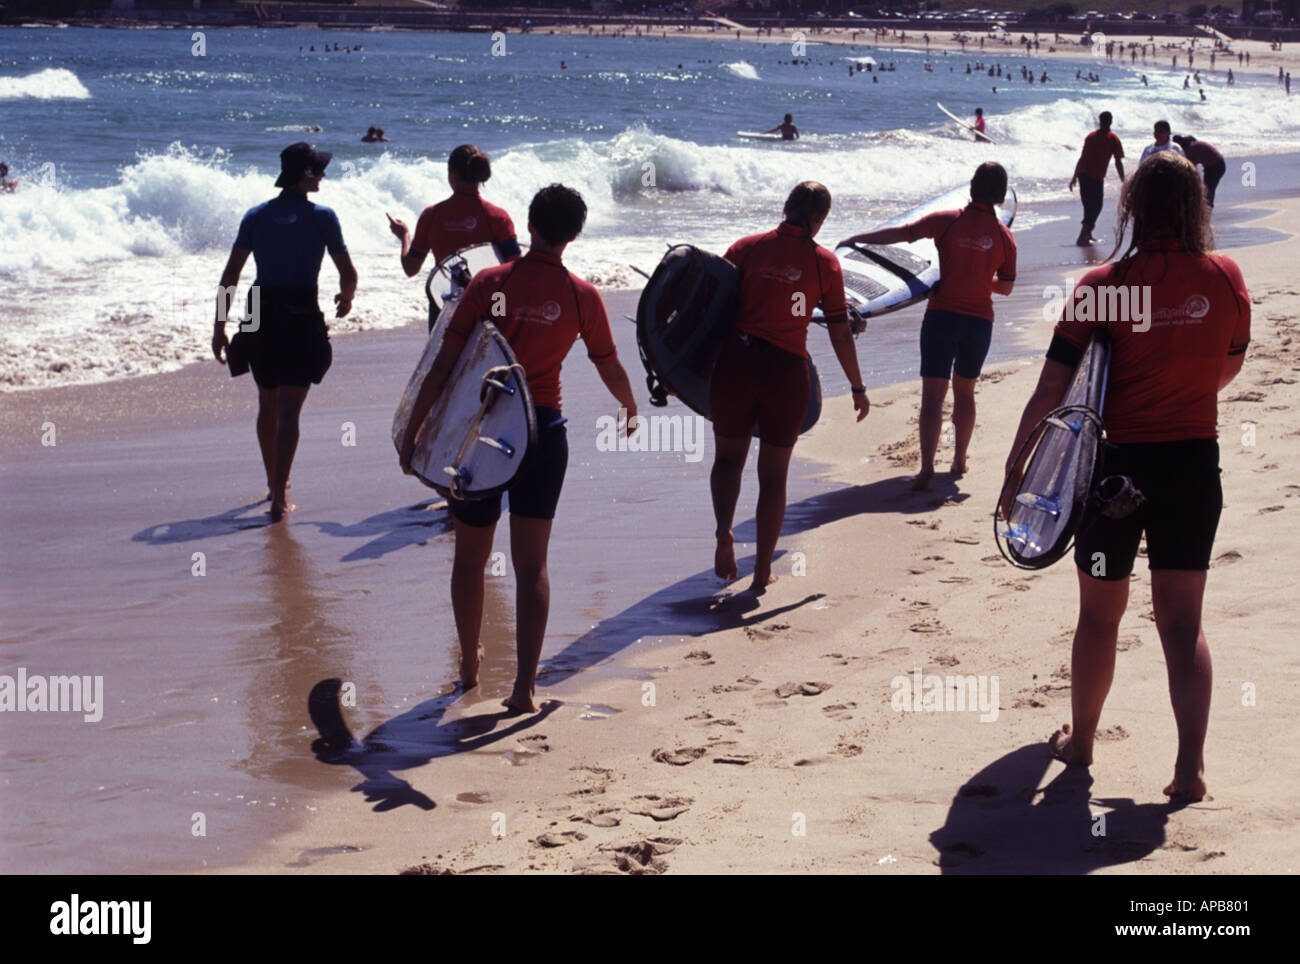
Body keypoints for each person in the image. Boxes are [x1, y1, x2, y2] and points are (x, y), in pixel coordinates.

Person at [1003, 152, 1250, 802]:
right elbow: (1227, 370)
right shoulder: (1225, 279)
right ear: (1196, 207)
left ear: (1131, 206)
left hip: (1118, 474)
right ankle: (1189, 770)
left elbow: (1052, 390)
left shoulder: (1102, 287)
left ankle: (1082, 742)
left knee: (1100, 617)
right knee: (1182, 623)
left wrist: (1015, 469)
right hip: (1194, 462)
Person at [397, 185, 638, 711]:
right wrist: (629, 405)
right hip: (542, 431)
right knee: (532, 566)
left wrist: (414, 431)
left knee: (469, 558)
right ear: (574, 235)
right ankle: (524, 689)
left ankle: (467, 665)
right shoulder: (582, 296)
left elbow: (443, 363)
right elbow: (608, 363)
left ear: (529, 226)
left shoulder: (490, 283)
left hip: (482, 433)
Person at [712, 182, 869, 592]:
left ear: (786, 207)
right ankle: (762, 570)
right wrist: (857, 385)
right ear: (819, 220)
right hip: (785, 375)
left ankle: (723, 533)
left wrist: (683, 374)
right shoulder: (825, 265)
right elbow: (839, 332)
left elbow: (713, 311)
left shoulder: (746, 248)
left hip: (736, 366)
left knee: (729, 459)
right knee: (774, 477)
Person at [840, 163, 1015, 491]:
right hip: (979, 323)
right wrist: (979, 280)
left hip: (941, 318)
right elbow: (1006, 286)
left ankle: (926, 468)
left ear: (972, 187)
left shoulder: (946, 221)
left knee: (933, 397)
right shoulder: (1005, 238)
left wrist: (858, 239)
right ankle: (959, 459)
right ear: (1001, 196)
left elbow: (899, 235)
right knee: (965, 393)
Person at [213, 143, 357, 522]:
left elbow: (230, 276)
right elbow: (348, 272)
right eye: (319, 170)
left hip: (259, 307)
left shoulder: (255, 216)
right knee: (290, 410)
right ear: (305, 176)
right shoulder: (324, 217)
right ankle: (278, 496)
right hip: (301, 307)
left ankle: (274, 480)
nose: (323, 176)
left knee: (267, 402)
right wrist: (347, 297)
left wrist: (219, 327)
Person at [388, 144, 521, 329]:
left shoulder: (431, 215)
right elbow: (516, 272)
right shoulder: (498, 217)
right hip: (491, 308)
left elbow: (410, 268)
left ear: (452, 176)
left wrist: (404, 237)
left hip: (445, 306)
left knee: (443, 357)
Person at [1069, 111, 1126, 246]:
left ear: (1099, 121)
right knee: (1096, 206)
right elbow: (1118, 162)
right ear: (1111, 121)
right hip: (1095, 176)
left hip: (1084, 174)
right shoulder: (1113, 138)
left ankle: (1087, 234)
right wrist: (1123, 180)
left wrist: (1074, 177)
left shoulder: (1091, 136)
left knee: (1089, 206)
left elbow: (1082, 158)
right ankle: (1083, 235)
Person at [1171, 134, 1226, 207]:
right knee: (1208, 190)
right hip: (1218, 164)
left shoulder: (1190, 150)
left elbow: (1191, 169)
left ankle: (1206, 211)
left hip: (1215, 166)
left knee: (1207, 191)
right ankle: (1206, 209)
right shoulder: (1192, 144)